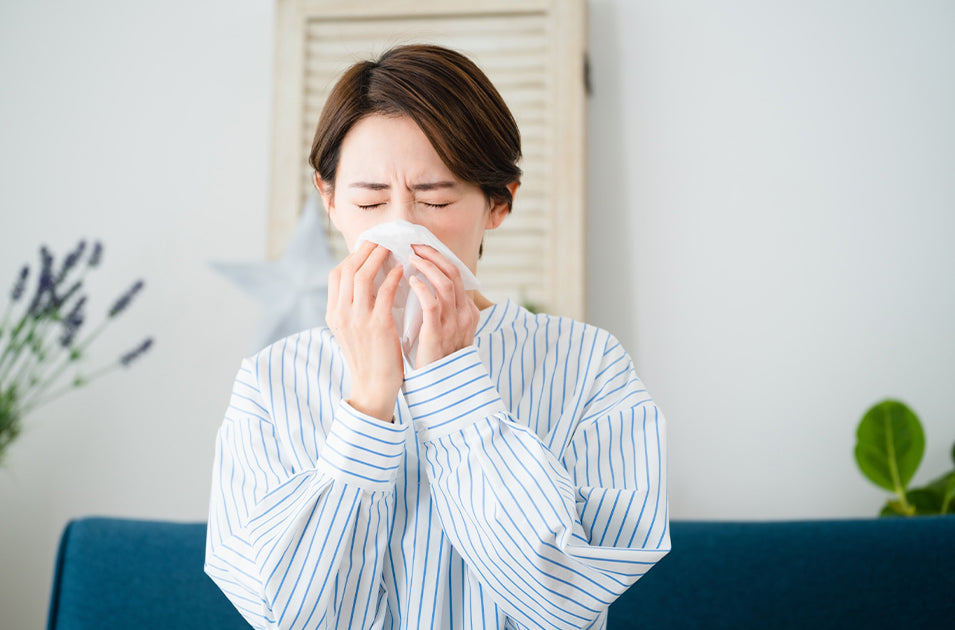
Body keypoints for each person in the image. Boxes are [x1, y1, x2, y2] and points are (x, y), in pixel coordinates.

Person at [206, 44, 669, 630]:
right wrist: (369, 405)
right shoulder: (271, 384)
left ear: (498, 203)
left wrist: (453, 384)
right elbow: (286, 614)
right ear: (328, 200)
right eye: (370, 201)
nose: (400, 227)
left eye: (435, 199)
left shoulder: (589, 367)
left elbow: (565, 601)